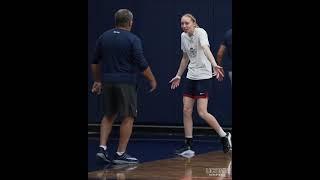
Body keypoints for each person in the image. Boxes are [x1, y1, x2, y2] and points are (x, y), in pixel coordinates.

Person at [91, 9, 157, 164]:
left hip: (107, 81)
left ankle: (102, 148)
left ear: (116, 21)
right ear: (130, 22)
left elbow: (94, 62)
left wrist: (97, 80)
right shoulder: (133, 39)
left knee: (109, 114)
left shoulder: (103, 37)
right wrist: (152, 79)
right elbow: (142, 63)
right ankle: (121, 154)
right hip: (126, 83)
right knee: (128, 116)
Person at [169, 14, 232, 155]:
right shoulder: (183, 36)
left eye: (187, 23)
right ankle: (188, 145)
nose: (184, 26)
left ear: (194, 23)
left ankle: (224, 136)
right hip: (191, 76)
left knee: (202, 112)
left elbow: (205, 48)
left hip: (204, 76)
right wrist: (178, 75)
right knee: (186, 110)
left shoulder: (201, 32)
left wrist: (215, 65)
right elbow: (185, 57)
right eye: (182, 23)